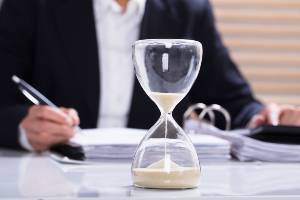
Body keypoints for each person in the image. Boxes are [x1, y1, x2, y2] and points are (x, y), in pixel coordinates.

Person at [0, 0, 299, 151]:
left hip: (156, 174)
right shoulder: (31, 5)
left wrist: (265, 117)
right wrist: (21, 127)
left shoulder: (188, 9)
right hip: (50, 175)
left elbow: (232, 100)